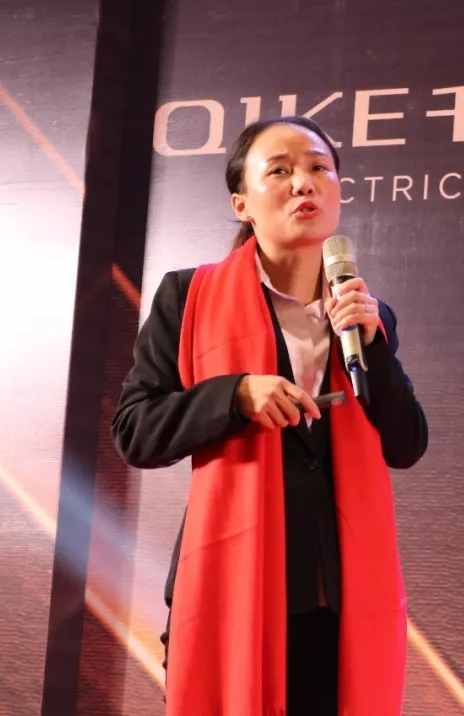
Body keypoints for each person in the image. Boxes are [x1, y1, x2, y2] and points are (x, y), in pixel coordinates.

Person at [110, 115, 428, 716]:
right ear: (242, 203)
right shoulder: (188, 297)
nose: (304, 183)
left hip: (340, 604)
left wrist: (375, 346)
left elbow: (407, 443)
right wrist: (233, 397)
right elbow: (135, 431)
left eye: (318, 168)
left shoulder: (366, 313)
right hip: (232, 593)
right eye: (279, 171)